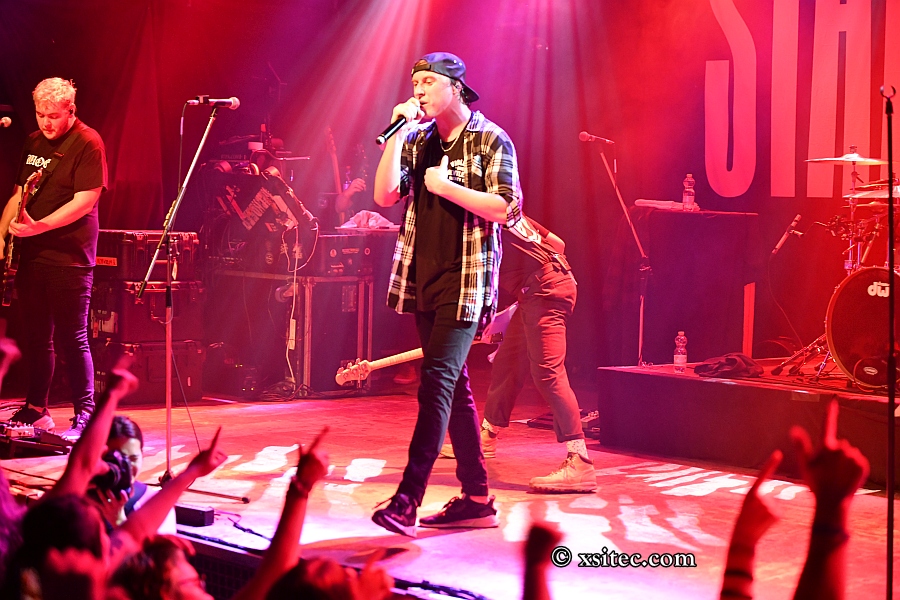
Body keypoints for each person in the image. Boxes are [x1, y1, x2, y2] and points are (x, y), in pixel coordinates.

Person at [371, 52, 523, 536]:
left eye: (428, 82)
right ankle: (477, 498)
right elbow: (384, 196)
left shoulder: (490, 138)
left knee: (436, 382)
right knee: (454, 388)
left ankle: (407, 499)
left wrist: (445, 187)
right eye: (414, 82)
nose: (418, 90)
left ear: (456, 88)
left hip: (467, 280)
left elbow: (508, 208)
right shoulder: (417, 139)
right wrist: (395, 137)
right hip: (423, 277)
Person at [440, 216, 597, 492]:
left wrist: (482, 321)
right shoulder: (504, 209)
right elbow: (558, 244)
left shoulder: (476, 219)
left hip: (543, 292)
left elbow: (480, 280)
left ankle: (580, 461)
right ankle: (486, 437)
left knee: (548, 374)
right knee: (509, 362)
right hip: (543, 287)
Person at [0, 77, 107, 440]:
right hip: (33, 255)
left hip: (69, 256)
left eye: (53, 116)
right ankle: (36, 409)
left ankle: (85, 413)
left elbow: (85, 201)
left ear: (71, 111)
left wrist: (39, 227)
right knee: (36, 336)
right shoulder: (33, 141)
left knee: (73, 338)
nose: (46, 122)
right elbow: (19, 193)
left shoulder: (88, 142)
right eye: (40, 114)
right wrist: (1, 237)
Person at [90, 415, 177, 535]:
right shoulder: (80, 499)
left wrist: (119, 522)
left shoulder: (156, 504)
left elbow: (161, 547)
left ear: (142, 455)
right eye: (118, 460)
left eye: (133, 458)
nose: (127, 466)